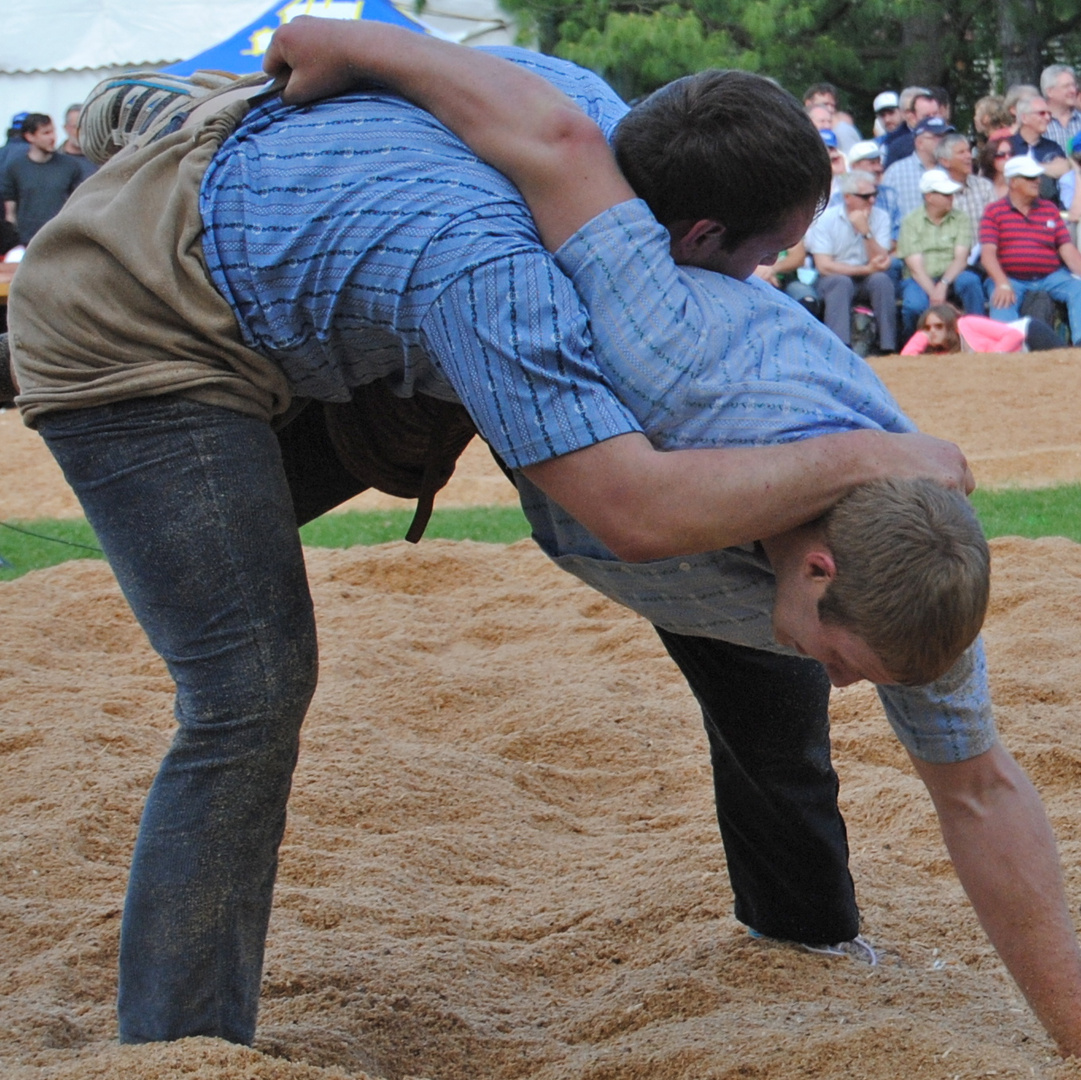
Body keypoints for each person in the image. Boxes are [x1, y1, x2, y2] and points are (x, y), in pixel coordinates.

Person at [7, 29, 971, 1049]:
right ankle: (180, 1049)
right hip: (147, 327)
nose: (764, 276)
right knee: (245, 682)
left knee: (725, 530)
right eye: (763, 251)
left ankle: (803, 926)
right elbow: (629, 511)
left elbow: (340, 51)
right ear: (692, 235)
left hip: (334, 300)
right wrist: (862, 456)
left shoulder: (583, 124)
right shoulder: (507, 276)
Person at [265, 19, 1081, 1057]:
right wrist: (344, 38)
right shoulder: (675, 341)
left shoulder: (919, 594)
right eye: (844, 658)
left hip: (699, 496)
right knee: (252, 506)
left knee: (775, 701)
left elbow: (979, 791)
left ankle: (800, 939)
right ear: (821, 563)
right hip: (449, 283)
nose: (848, 683)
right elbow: (555, 143)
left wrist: (1072, 1037)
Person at [980, 156, 1081, 342]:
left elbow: (1067, 249)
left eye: (1037, 176)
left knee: (1079, 288)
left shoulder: (1049, 209)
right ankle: (1009, 353)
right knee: (1001, 299)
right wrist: (1001, 282)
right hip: (1010, 277)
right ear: (1013, 182)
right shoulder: (994, 211)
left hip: (1050, 276)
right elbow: (987, 255)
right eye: (1030, 177)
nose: (1037, 181)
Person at [804, 170, 898, 354]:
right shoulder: (825, 220)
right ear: (847, 197)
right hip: (833, 279)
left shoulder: (881, 217)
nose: (872, 200)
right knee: (841, 282)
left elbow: (882, 261)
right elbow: (824, 266)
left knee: (882, 281)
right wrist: (865, 269)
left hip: (867, 278)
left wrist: (866, 232)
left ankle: (888, 347)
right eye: (865, 196)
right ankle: (839, 348)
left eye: (874, 195)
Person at [896, 168, 984, 340]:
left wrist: (942, 285)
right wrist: (936, 295)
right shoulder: (911, 221)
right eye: (945, 194)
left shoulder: (961, 218)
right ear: (929, 197)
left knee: (971, 282)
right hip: (920, 278)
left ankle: (977, 334)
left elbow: (961, 258)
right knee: (914, 305)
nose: (951, 197)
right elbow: (915, 268)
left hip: (952, 275)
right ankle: (913, 343)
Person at [0, 112, 84, 246]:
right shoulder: (15, 167)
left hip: (60, 241)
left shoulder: (70, 166)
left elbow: (77, 205)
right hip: (25, 243)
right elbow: (10, 211)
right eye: (46, 133)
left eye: (53, 132)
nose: (53, 137)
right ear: (30, 136)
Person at [900, 302, 1061, 354]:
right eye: (927, 328)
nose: (932, 331)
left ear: (949, 326)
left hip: (1029, 333)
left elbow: (1013, 335)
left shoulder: (966, 323)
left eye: (938, 326)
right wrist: (921, 337)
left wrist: (991, 358)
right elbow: (906, 361)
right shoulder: (942, 354)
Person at [883, 115, 955, 219]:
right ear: (919, 143)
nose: (943, 142)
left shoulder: (952, 169)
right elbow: (885, 213)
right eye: (937, 137)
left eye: (945, 137)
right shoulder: (895, 173)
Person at [935, 132, 993, 253]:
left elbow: (995, 225)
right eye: (961, 152)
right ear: (945, 161)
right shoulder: (936, 192)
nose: (969, 156)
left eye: (968, 151)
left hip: (985, 257)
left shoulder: (984, 186)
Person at [882, 85, 937, 168]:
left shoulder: (948, 136)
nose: (911, 115)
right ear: (903, 113)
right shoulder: (892, 144)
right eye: (909, 110)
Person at [1041, 65, 1081, 156]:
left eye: (1073, 85)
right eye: (1066, 86)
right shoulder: (1039, 122)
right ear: (1050, 92)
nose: (1073, 90)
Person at [58, 104, 97, 182]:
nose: (81, 131)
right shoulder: (54, 159)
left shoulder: (101, 159)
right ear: (66, 128)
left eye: (85, 126)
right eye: (76, 127)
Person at [979, 129, 1014, 200]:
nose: (1007, 158)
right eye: (1001, 155)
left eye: (1010, 154)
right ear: (991, 158)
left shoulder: (1016, 186)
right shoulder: (981, 186)